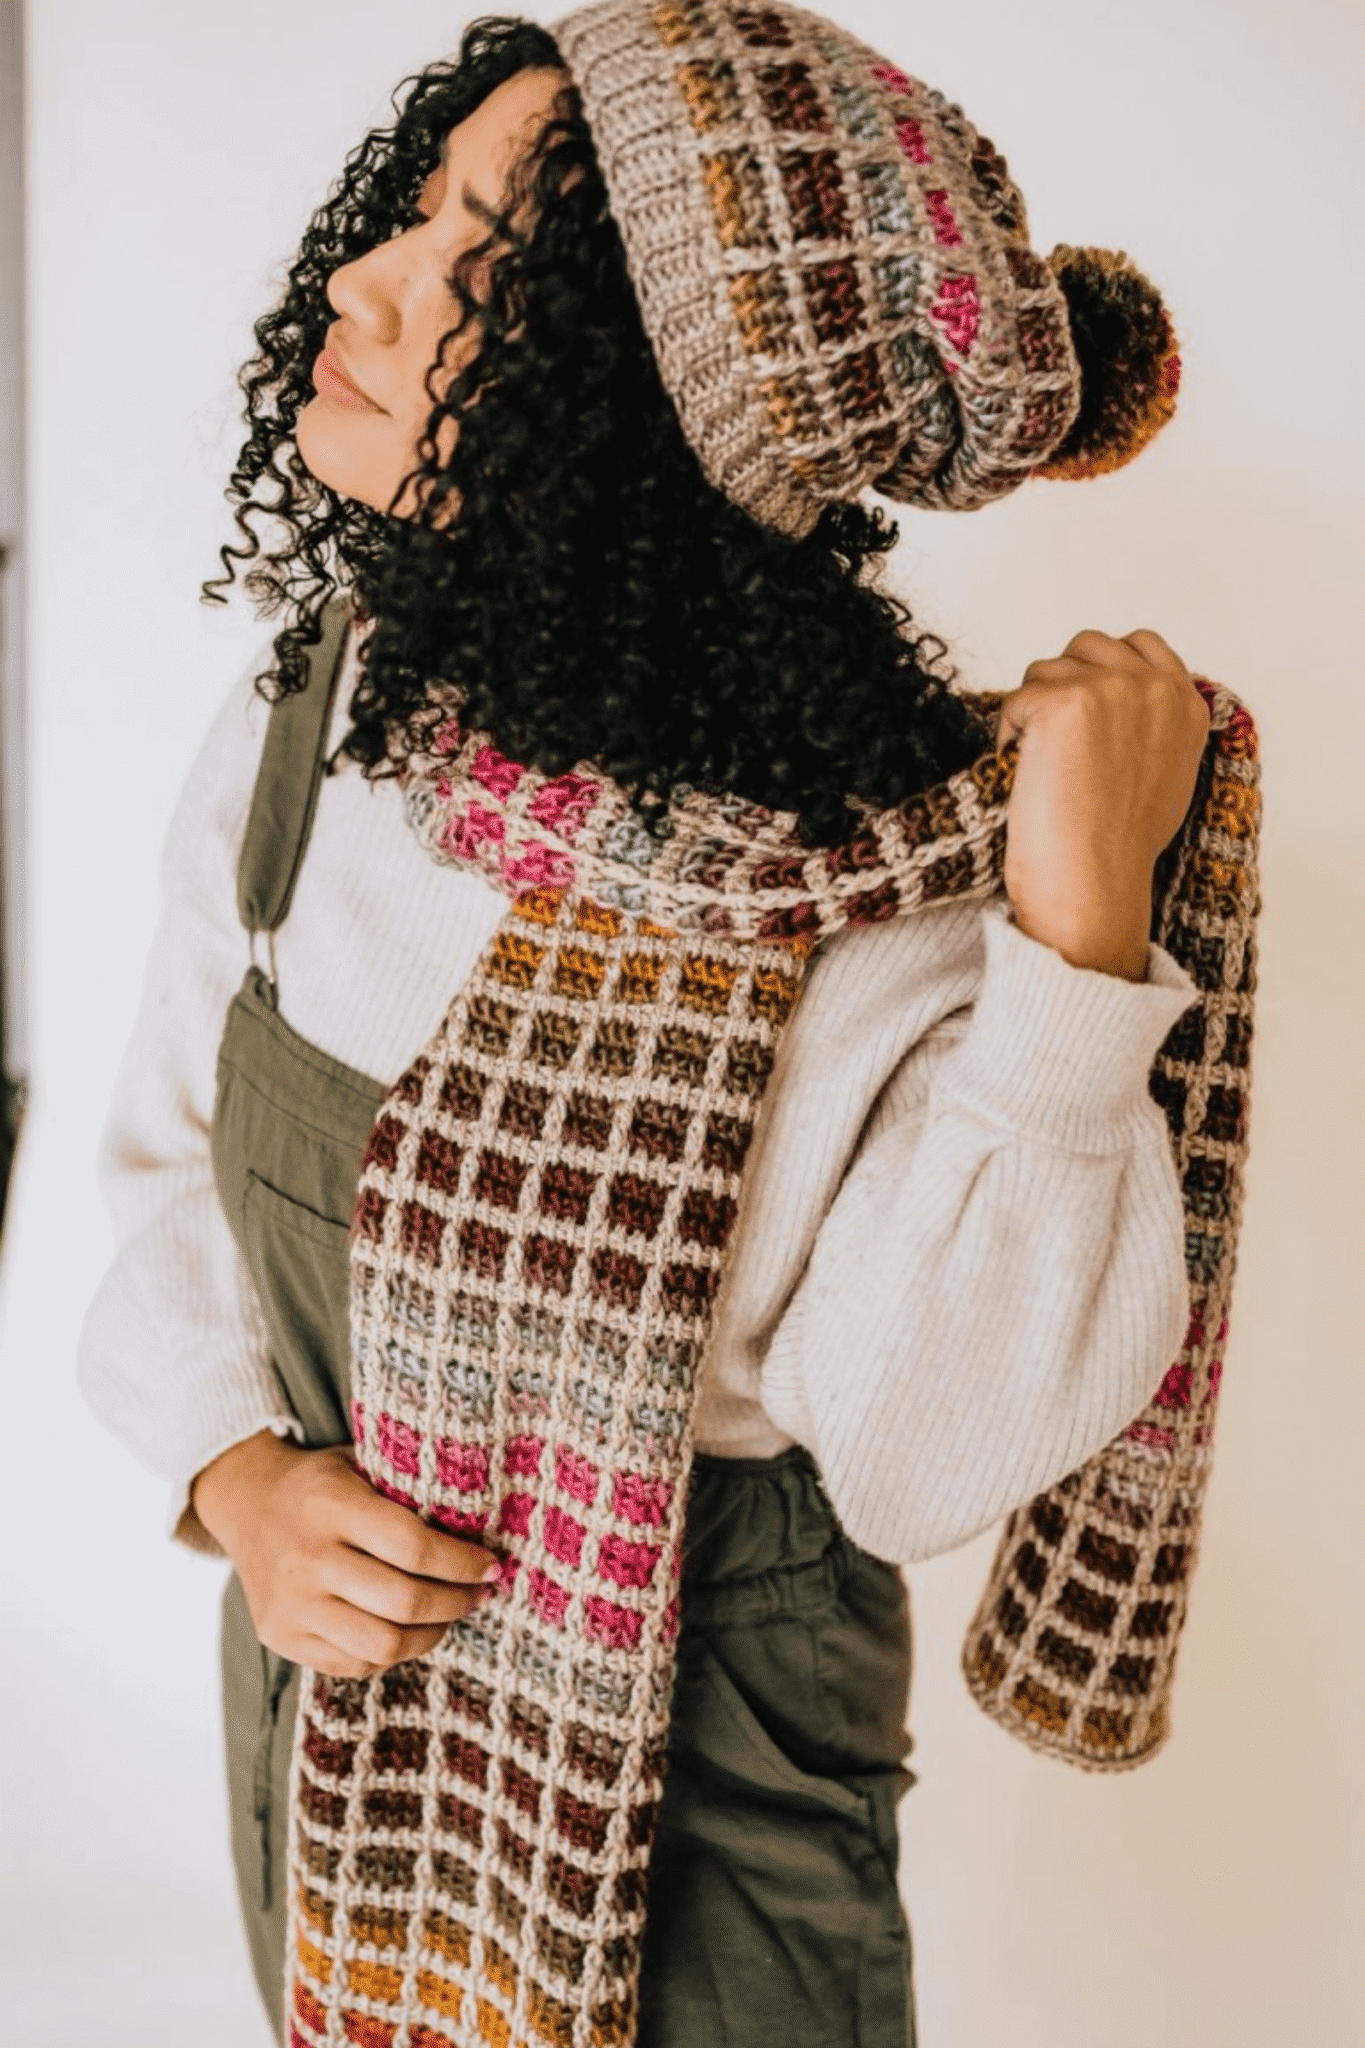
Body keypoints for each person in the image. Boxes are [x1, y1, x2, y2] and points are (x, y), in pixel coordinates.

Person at [78, 8, 1214, 2046]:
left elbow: (911, 1444)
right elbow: (161, 1152)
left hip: (706, 1788)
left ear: (651, 413)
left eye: (473, 271)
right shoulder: (325, 718)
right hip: (339, 1735)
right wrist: (238, 1474)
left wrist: (1076, 922)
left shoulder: (867, 898)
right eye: (409, 212)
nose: (360, 279)